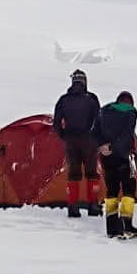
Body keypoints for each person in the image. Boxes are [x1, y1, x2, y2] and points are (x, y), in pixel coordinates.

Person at [52, 70, 100, 219]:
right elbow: (99, 120)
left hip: (71, 141)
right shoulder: (91, 99)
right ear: (84, 81)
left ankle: (73, 208)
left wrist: (64, 136)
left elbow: (56, 122)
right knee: (92, 173)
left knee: (73, 174)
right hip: (89, 141)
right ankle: (93, 206)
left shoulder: (64, 100)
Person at [96, 89, 137, 238]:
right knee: (129, 189)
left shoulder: (103, 111)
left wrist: (103, 146)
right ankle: (126, 225)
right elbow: (127, 135)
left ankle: (112, 228)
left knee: (112, 191)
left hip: (107, 158)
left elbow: (94, 131)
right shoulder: (131, 113)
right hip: (125, 157)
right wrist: (113, 147)